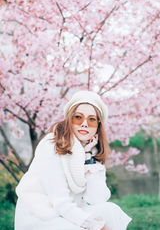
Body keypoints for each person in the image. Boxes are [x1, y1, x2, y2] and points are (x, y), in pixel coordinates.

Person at [15, 90, 132, 230]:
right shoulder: (52, 144)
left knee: (110, 210)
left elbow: (97, 199)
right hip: (41, 216)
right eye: (78, 117)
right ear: (69, 120)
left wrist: (88, 158)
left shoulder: (88, 151)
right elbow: (60, 203)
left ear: (98, 126)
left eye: (92, 119)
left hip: (67, 212)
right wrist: (97, 226)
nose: (84, 124)